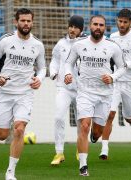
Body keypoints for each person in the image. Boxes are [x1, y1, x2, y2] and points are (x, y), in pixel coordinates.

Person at [0, 8, 46, 180]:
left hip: (25, 93)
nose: (26, 24)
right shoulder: (6, 40)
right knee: (2, 135)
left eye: (29, 21)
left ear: (32, 22)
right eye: (23, 21)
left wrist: (39, 79)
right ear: (16, 22)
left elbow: (42, 68)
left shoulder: (38, 45)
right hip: (4, 93)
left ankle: (11, 171)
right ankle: (10, 126)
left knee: (19, 129)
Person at [64, 15, 126, 176]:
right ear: (90, 26)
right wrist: (68, 74)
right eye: (95, 24)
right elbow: (68, 63)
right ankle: (83, 166)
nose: (98, 27)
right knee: (84, 125)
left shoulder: (113, 46)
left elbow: (122, 67)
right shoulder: (79, 44)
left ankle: (95, 135)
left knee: (97, 131)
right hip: (84, 92)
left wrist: (112, 77)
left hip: (105, 95)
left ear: (105, 28)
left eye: (101, 25)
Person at [99, 8, 131, 160]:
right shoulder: (112, 37)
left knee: (129, 117)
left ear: (130, 22)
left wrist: (128, 64)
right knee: (110, 114)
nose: (121, 24)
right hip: (115, 81)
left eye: (125, 22)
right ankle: (104, 149)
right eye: (120, 21)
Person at [49, 15, 86, 166]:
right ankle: (59, 153)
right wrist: (53, 72)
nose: (72, 29)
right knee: (58, 117)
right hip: (63, 88)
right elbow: (55, 61)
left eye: (76, 27)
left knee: (81, 121)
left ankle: (80, 149)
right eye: (71, 26)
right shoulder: (61, 43)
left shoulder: (86, 44)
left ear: (81, 29)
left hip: (82, 90)